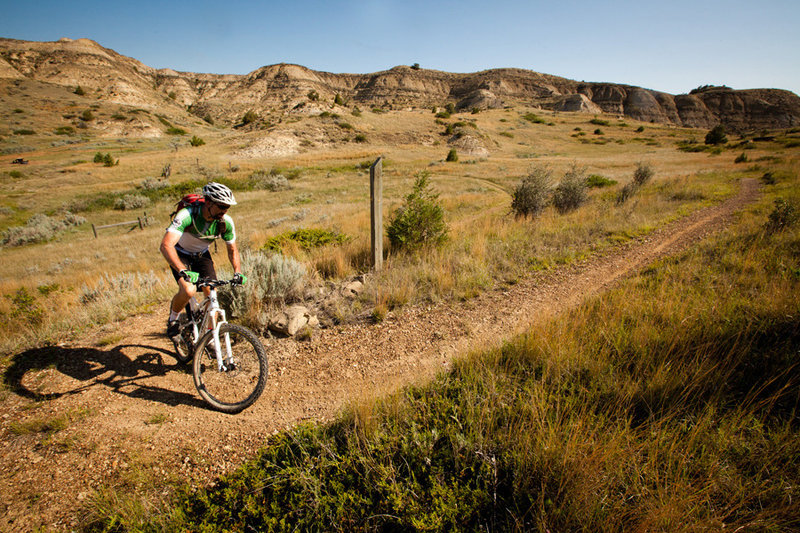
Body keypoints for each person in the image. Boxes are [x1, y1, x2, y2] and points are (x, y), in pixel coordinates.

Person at [160, 182, 245, 341]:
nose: (224, 211)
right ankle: (173, 319)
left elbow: (232, 250)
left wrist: (237, 272)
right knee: (188, 290)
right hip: (181, 254)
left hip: (202, 254)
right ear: (208, 202)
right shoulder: (187, 215)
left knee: (212, 294)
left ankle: (209, 337)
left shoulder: (225, 222)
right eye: (221, 206)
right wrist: (182, 270)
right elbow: (166, 245)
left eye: (227, 207)